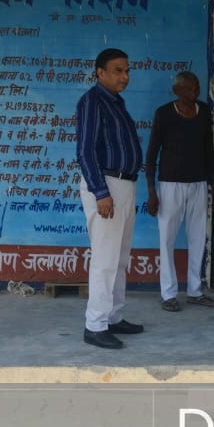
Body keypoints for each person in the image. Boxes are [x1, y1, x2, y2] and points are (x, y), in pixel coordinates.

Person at [75, 47, 145, 349]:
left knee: (120, 257)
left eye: (127, 71)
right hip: (106, 185)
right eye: (117, 70)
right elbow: (85, 151)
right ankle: (95, 325)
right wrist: (101, 192)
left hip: (124, 184)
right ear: (100, 73)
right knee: (105, 258)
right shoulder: (92, 101)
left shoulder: (116, 103)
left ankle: (114, 316)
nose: (124, 76)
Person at [145, 71, 214, 311]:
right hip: (170, 185)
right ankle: (168, 294)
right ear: (177, 91)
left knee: (198, 237)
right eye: (189, 89)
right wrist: (152, 191)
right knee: (167, 239)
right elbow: (152, 153)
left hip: (198, 183)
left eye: (196, 88)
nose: (194, 93)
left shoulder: (203, 113)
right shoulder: (164, 114)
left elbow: (209, 153)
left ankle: (195, 291)